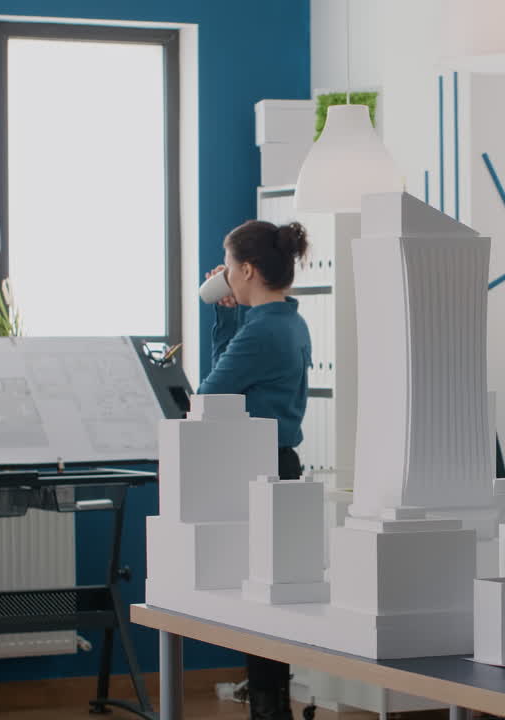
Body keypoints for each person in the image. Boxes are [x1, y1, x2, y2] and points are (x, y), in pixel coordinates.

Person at [198, 219, 311, 720]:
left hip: (257, 468)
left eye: (227, 266)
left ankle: (268, 708)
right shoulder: (288, 320)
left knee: (257, 601)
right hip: (281, 465)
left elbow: (210, 395)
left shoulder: (262, 331)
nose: (224, 275)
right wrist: (228, 321)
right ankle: (271, 705)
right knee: (271, 596)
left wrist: (223, 325)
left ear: (245, 270)